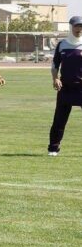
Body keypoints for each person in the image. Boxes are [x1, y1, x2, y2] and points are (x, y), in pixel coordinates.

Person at [48, 16, 82, 156]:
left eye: (81, 26)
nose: (79, 29)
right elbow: (55, 65)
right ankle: (53, 148)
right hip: (66, 88)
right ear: (70, 27)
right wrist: (55, 78)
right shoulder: (62, 45)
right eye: (76, 26)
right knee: (59, 119)